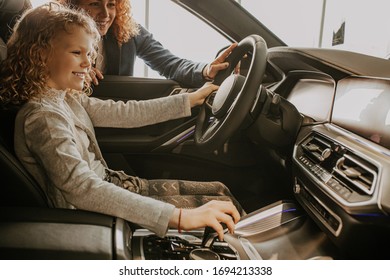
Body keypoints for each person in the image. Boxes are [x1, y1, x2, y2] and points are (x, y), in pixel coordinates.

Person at [0, 3, 242, 240]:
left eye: (89, 53)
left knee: (219, 192)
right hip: (92, 213)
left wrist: (189, 100)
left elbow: (124, 112)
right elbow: (80, 188)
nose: (87, 62)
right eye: (77, 53)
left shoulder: (67, 98)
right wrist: (179, 217)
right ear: (41, 55)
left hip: (115, 186)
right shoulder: (43, 117)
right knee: (221, 205)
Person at [57, 0, 237, 87]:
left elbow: (170, 64)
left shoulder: (128, 31)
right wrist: (75, 73)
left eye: (111, 4)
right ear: (73, 5)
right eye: (95, 4)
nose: (105, 14)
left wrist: (206, 70)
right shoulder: (56, 34)